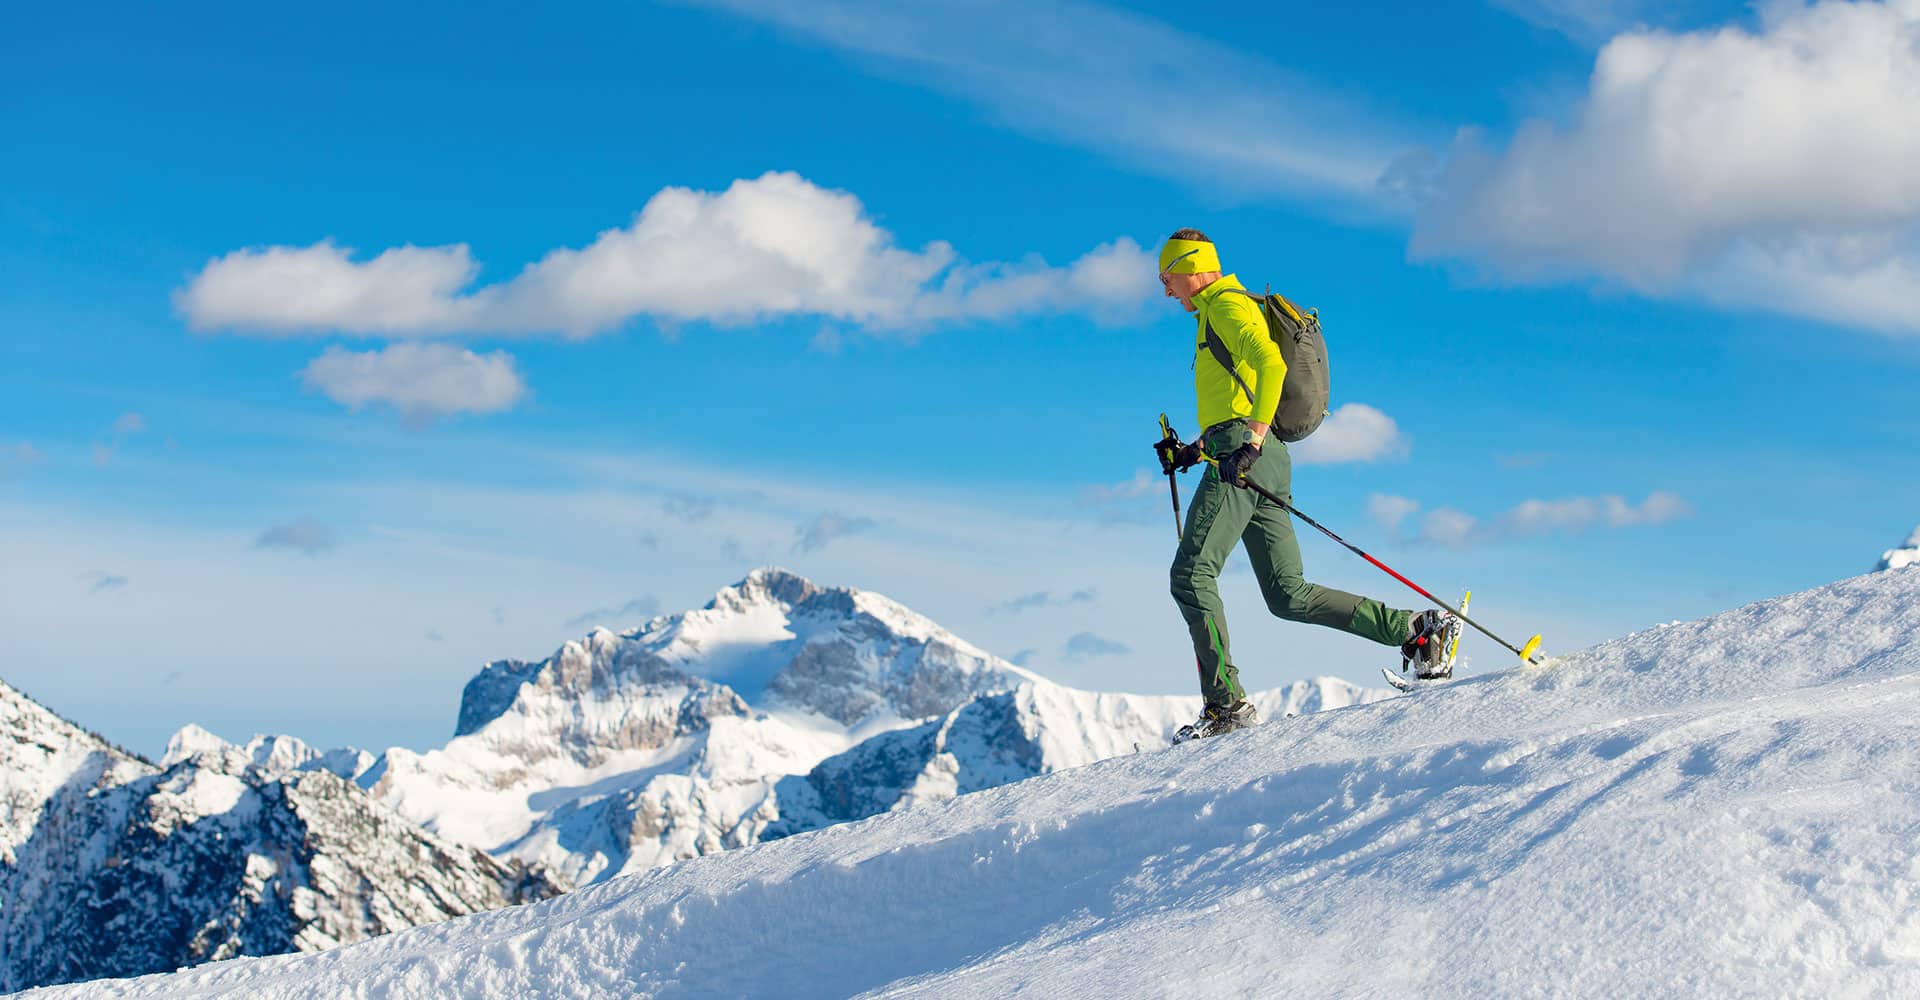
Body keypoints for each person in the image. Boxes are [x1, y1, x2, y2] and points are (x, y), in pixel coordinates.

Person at [1153, 229, 1456, 740]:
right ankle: (1416, 631)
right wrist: (1192, 452)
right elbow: (1237, 400)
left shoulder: (1226, 305)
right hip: (1258, 458)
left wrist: (1247, 442)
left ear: (1189, 267)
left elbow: (1270, 364)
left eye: (1167, 279)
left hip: (1245, 456)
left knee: (1190, 574)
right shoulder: (1216, 312)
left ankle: (1226, 708)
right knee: (1286, 594)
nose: (1166, 292)